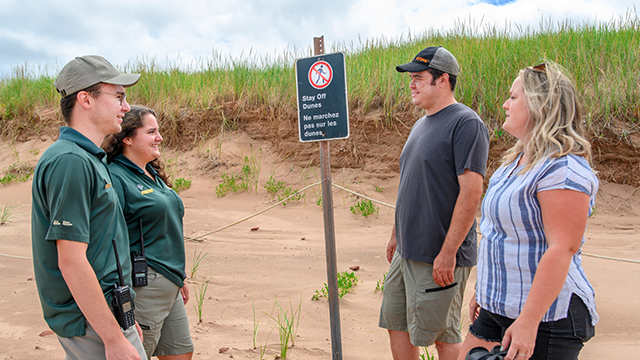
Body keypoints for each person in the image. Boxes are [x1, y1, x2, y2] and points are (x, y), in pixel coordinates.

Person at [456, 62, 598, 360]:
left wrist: (529, 321)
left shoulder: (563, 167)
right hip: (497, 306)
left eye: (513, 97)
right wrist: (484, 293)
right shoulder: (514, 163)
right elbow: (498, 236)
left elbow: (562, 248)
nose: (505, 104)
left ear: (539, 104)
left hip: (547, 317)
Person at [378, 46, 490, 360]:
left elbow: (471, 193)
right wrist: (396, 234)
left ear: (442, 80)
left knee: (443, 335)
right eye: (411, 79)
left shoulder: (466, 124)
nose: (411, 85)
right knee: (396, 322)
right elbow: (410, 185)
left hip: (440, 255)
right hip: (408, 250)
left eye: (418, 78)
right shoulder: (421, 125)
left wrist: (449, 251)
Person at [31, 55, 146, 359]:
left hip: (107, 313)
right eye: (119, 96)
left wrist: (126, 321)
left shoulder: (88, 158)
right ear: (85, 99)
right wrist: (113, 337)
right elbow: (71, 260)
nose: (126, 106)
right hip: (90, 322)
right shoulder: (70, 162)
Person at [102, 106, 194, 360]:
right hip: (144, 287)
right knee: (137, 354)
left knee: (181, 352)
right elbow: (109, 236)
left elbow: (164, 229)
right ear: (128, 138)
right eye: (151, 131)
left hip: (171, 282)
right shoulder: (116, 176)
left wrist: (179, 276)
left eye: (158, 131)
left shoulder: (152, 173)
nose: (159, 137)